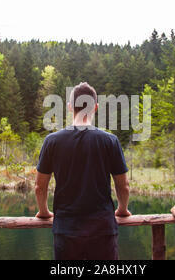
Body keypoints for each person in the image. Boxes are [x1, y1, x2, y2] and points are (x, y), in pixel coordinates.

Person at [35, 82, 131, 260]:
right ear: (95, 107)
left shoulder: (52, 141)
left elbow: (40, 187)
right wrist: (122, 210)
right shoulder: (110, 141)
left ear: (70, 107)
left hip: (66, 229)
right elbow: (123, 186)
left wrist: (44, 212)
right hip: (103, 228)